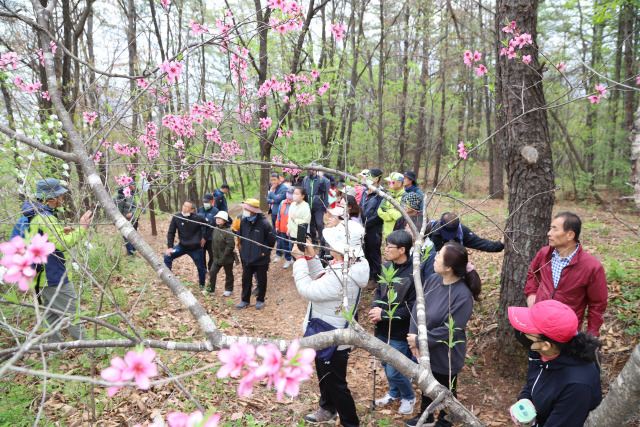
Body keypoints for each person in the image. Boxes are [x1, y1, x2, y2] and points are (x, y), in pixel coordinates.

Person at [292, 222, 369, 427]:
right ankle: (327, 409)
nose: (329, 246)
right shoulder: (345, 265)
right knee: (325, 376)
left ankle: (350, 422)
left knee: (336, 384)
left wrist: (299, 260)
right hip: (324, 330)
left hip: (334, 337)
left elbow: (308, 289)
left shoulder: (346, 274)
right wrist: (310, 257)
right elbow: (322, 278)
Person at [406, 242, 482, 427]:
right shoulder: (432, 279)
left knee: (446, 391)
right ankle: (426, 416)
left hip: (446, 355)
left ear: (448, 267)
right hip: (425, 348)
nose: (434, 257)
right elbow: (418, 306)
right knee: (426, 385)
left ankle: (445, 420)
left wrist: (419, 340)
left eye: (439, 255)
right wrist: (413, 336)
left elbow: (449, 330)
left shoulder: (462, 296)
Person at [508, 300, 602, 426]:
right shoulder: (541, 352)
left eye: (526, 331)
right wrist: (525, 398)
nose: (521, 332)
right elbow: (536, 378)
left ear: (546, 345)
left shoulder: (577, 386)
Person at [524, 212, 607, 336]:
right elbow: (533, 273)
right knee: (535, 354)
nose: (549, 233)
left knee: (561, 356)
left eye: (554, 229)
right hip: (539, 321)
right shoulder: (544, 254)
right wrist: (531, 293)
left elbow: (597, 304)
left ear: (570, 235)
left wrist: (592, 335)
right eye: (550, 228)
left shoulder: (592, 266)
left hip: (567, 329)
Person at [32, 178, 92, 342]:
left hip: (41, 277)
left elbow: (46, 239)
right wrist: (82, 228)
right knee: (73, 313)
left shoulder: (36, 214)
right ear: (51, 198)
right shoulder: (46, 217)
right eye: (60, 195)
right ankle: (90, 350)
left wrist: (61, 230)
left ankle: (53, 353)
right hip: (54, 276)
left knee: (51, 316)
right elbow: (62, 245)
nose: (62, 198)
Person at [369, 230, 417, 415]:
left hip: (399, 331)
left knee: (395, 370)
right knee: (385, 364)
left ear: (402, 250)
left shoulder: (414, 274)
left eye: (389, 246)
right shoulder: (386, 267)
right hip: (381, 328)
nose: (385, 250)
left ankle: (409, 396)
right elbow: (379, 292)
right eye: (385, 245)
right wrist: (375, 309)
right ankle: (394, 393)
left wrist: (385, 314)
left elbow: (411, 309)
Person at [235, 199, 276, 310]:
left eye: (246, 209)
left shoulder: (264, 223)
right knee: (246, 280)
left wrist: (263, 252)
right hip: (247, 257)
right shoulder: (243, 221)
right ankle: (245, 300)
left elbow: (271, 241)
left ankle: (260, 300)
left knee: (262, 280)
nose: (244, 211)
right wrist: (243, 251)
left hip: (261, 258)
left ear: (252, 210)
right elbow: (242, 237)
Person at [164, 201, 208, 289]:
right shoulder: (177, 217)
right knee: (167, 256)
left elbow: (210, 225)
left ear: (192, 210)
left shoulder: (198, 217)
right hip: (182, 247)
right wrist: (170, 247)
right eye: (184, 206)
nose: (184, 208)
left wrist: (205, 237)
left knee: (201, 268)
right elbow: (171, 233)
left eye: (187, 207)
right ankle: (168, 280)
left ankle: (202, 285)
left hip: (196, 248)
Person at [429, 212, 505, 253]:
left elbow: (480, 243)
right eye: (446, 232)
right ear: (440, 224)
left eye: (451, 233)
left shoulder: (462, 232)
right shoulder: (429, 230)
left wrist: (499, 245)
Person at [359, 168, 384, 288]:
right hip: (363, 228)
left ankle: (376, 278)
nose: (367, 178)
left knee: (374, 253)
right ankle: (368, 275)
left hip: (374, 229)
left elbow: (379, 214)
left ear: (377, 178)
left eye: (370, 176)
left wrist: (366, 224)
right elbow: (360, 207)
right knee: (365, 252)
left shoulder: (381, 193)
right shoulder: (365, 191)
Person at [203, 211, 236, 297]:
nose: (217, 220)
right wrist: (215, 256)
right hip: (216, 258)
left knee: (228, 273)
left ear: (225, 220)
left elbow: (230, 246)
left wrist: (224, 256)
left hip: (227, 258)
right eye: (216, 218)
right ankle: (211, 289)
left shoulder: (228, 231)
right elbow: (214, 244)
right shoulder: (215, 229)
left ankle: (229, 289)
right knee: (212, 272)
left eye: (220, 219)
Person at [302, 164, 330, 251]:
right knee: (311, 224)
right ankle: (314, 240)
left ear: (315, 170)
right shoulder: (305, 179)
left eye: (311, 169)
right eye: (308, 169)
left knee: (319, 224)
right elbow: (303, 192)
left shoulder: (323, 180)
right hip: (307, 206)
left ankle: (322, 241)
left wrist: (324, 206)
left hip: (318, 206)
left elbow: (326, 194)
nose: (309, 171)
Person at [112, 181, 141, 256]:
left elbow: (135, 207)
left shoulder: (130, 197)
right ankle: (131, 253)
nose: (122, 198)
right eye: (121, 196)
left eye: (123, 196)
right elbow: (105, 202)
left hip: (132, 219)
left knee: (134, 235)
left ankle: (134, 251)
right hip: (122, 220)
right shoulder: (115, 199)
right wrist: (95, 204)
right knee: (126, 236)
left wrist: (131, 213)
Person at [266, 172, 288, 262]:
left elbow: (279, 199)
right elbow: (268, 200)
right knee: (275, 233)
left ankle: (279, 253)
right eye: (271, 180)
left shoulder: (283, 188)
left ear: (279, 179)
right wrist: (273, 198)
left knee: (280, 233)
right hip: (273, 213)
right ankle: (279, 251)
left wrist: (272, 194)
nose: (272, 182)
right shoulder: (272, 188)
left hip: (280, 214)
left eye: (274, 180)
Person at [378, 172, 406, 239]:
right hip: (387, 234)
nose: (388, 184)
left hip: (399, 235)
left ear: (399, 183)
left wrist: (388, 211)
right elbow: (380, 211)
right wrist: (389, 217)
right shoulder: (387, 195)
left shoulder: (405, 196)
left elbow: (400, 216)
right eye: (388, 182)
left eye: (392, 182)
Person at [197, 193, 219, 271]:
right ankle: (203, 269)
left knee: (212, 256)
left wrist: (206, 237)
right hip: (200, 237)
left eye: (207, 201)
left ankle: (211, 269)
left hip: (211, 238)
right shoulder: (200, 209)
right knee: (201, 255)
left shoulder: (215, 211)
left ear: (211, 201)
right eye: (204, 201)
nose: (205, 203)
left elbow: (215, 225)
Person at [275, 186, 295, 269]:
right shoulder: (283, 202)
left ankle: (295, 259)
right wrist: (277, 226)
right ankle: (288, 259)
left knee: (292, 246)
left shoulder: (295, 204)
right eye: (288, 193)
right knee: (285, 245)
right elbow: (279, 215)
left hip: (292, 230)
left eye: (290, 193)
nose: (288, 195)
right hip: (282, 228)